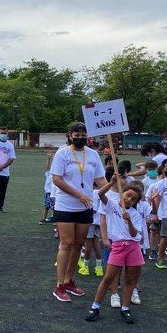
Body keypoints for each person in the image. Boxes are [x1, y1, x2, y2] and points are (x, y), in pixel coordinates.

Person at [50, 122, 107, 303]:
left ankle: (69, 280)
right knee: (66, 243)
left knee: (78, 244)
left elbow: (99, 179)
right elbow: (57, 179)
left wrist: (113, 189)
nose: (80, 136)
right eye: (76, 133)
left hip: (86, 206)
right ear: (69, 134)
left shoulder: (93, 154)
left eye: (83, 133)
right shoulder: (62, 153)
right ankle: (59, 285)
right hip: (66, 205)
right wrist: (79, 195)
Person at [85, 181, 145, 324]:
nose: (129, 199)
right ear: (122, 192)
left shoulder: (135, 214)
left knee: (130, 280)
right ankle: (95, 307)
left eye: (133, 199)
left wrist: (129, 220)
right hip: (118, 246)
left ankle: (125, 308)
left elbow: (133, 233)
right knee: (108, 279)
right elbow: (100, 194)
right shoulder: (111, 205)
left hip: (133, 247)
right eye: (128, 195)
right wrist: (112, 181)